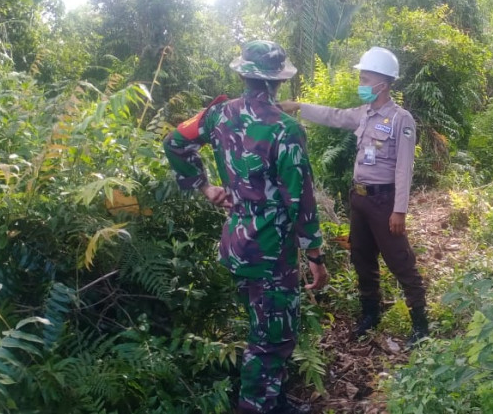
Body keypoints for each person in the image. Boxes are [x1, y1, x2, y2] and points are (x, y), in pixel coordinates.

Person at [163, 40, 327, 414]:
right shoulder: (285, 129)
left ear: (242, 75)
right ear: (278, 82)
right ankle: (256, 406)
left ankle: (274, 400)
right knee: (271, 338)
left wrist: (205, 187)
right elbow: (301, 199)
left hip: (238, 241)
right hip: (271, 248)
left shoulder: (217, 115)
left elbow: (175, 143)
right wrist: (315, 255)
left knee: (264, 326)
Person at [280, 47, 428, 347]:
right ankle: (371, 314)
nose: (360, 82)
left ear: (382, 84)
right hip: (359, 200)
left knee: (400, 261)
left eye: (365, 77)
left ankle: (421, 326)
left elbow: (404, 168)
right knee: (361, 257)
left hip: (384, 202)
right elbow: (334, 116)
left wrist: (399, 210)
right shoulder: (364, 113)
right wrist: (298, 106)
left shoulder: (402, 119)